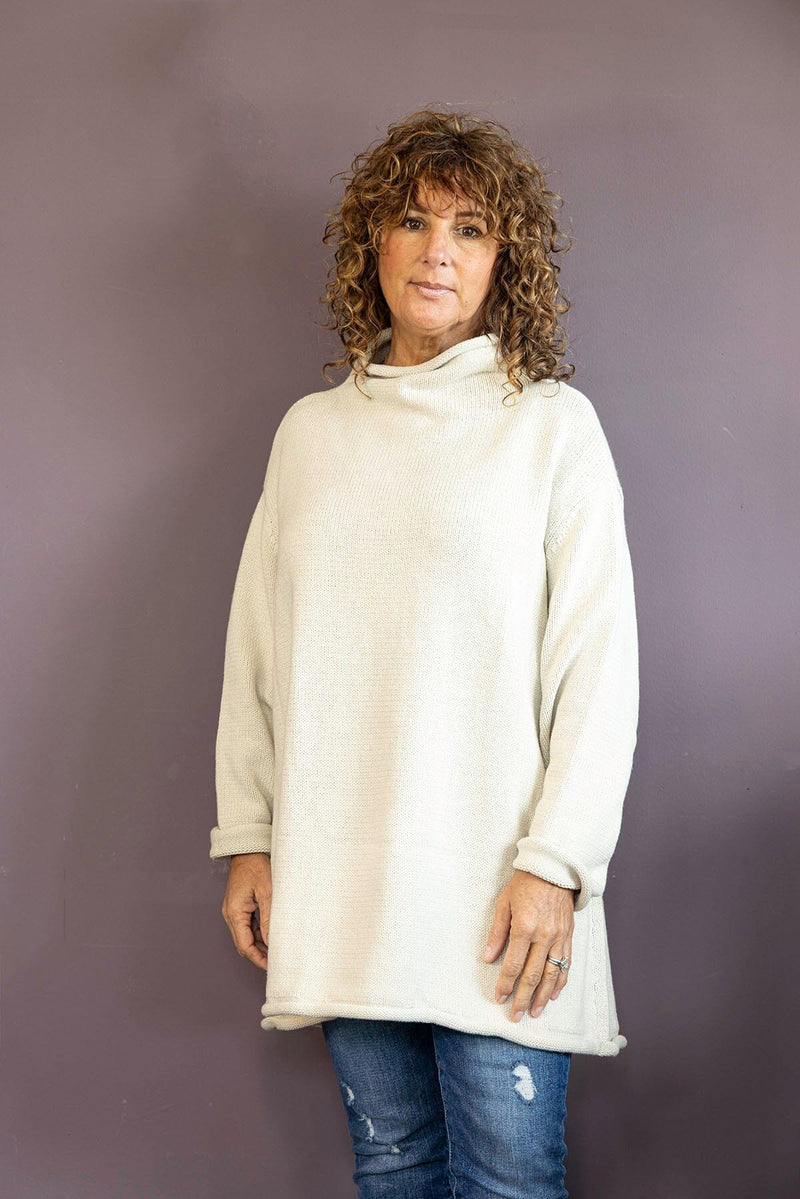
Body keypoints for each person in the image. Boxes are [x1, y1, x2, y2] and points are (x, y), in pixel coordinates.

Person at [209, 107, 639, 1198]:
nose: (437, 249)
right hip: (344, 877)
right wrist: (249, 834)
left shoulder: (550, 428)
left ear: (505, 263)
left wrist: (557, 863)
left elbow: (597, 669)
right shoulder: (311, 436)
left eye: (470, 228)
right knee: (393, 1167)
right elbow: (257, 652)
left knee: (505, 1181)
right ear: (374, 244)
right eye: (413, 220)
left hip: (499, 888)